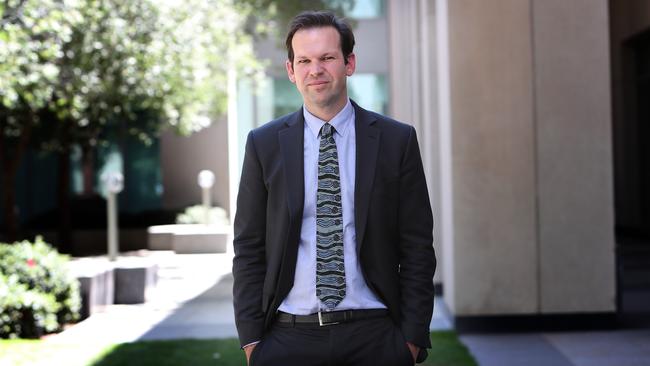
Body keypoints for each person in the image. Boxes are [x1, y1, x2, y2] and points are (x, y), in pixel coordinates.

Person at [232, 10, 436, 366]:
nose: (316, 70)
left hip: (375, 336)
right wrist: (252, 341)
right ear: (291, 70)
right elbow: (248, 247)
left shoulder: (396, 140)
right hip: (288, 337)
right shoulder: (263, 144)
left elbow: (417, 244)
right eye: (305, 60)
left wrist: (411, 339)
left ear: (349, 63)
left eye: (327, 57)